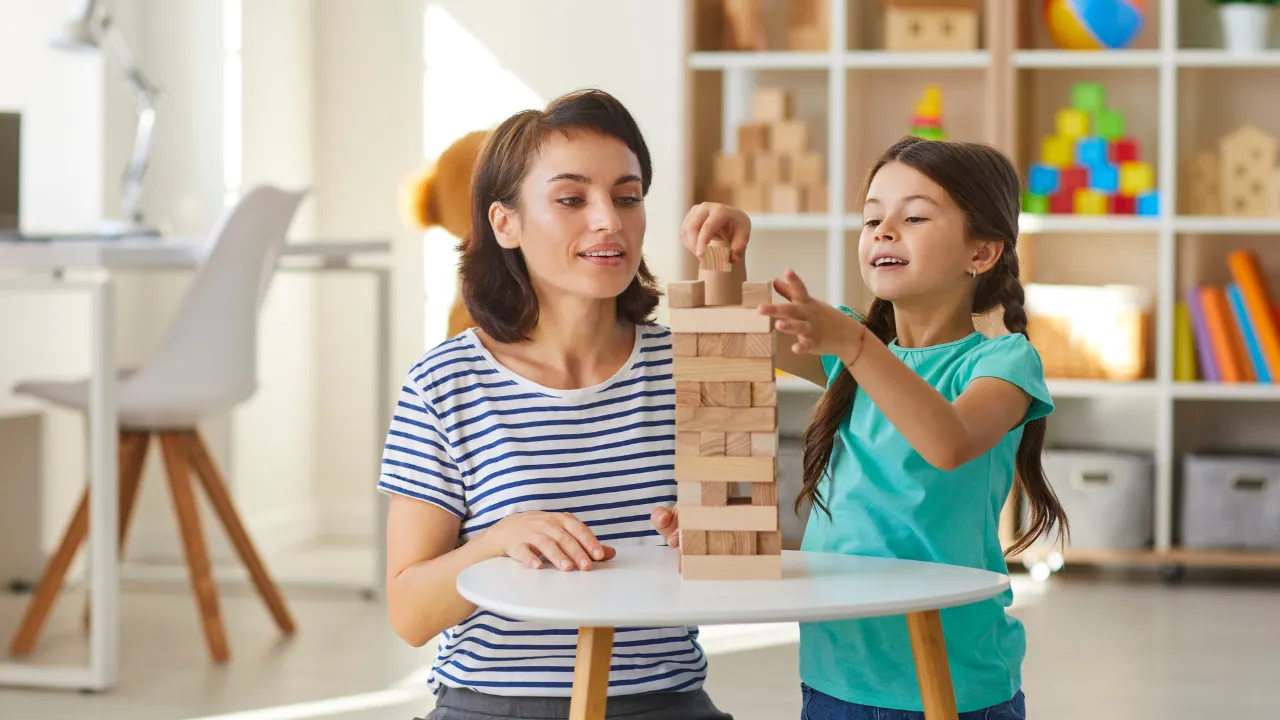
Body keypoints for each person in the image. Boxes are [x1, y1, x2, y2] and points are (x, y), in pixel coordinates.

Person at [654, 136, 1068, 719]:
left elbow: (948, 442)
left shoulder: (1003, 362)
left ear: (982, 253)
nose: (884, 231)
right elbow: (734, 334)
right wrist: (727, 256)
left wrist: (853, 345)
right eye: (872, 217)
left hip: (954, 684)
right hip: (834, 678)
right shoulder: (850, 349)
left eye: (915, 216)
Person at [378, 89, 748, 720]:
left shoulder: (698, 363)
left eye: (627, 197)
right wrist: (497, 542)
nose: (609, 220)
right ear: (505, 224)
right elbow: (410, 614)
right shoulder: (444, 384)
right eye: (572, 199)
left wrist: (717, 541)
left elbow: (744, 559)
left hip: (667, 703)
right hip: (494, 707)